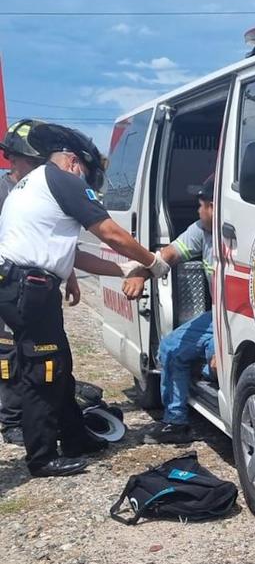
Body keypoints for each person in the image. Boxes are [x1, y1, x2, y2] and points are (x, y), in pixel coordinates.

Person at [0, 123, 171, 477]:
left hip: (24, 284)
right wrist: (151, 261)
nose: (85, 184)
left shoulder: (35, 183)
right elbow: (110, 233)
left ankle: (75, 437)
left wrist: (121, 269)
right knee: (43, 370)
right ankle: (42, 458)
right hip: (27, 287)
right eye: (86, 176)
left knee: (58, 362)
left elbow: (68, 252)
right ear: (74, 162)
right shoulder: (63, 180)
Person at [0, 119, 83, 446]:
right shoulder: (7, 191)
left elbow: (50, 239)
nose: (35, 168)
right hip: (10, 280)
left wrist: (69, 275)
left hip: (32, 284)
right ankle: (13, 420)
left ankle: (69, 430)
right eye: (29, 161)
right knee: (12, 355)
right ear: (13, 158)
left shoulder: (37, 187)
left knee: (49, 358)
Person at [123, 174, 215, 445]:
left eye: (201, 205)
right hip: (218, 318)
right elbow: (168, 256)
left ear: (214, 206)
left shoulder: (244, 233)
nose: (198, 211)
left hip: (243, 321)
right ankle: (176, 422)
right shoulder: (201, 230)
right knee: (171, 348)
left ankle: (208, 367)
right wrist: (141, 274)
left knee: (218, 366)